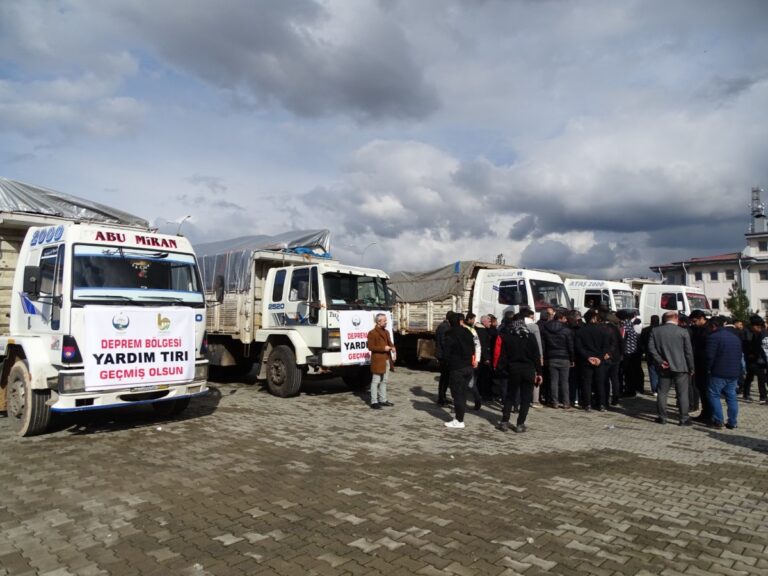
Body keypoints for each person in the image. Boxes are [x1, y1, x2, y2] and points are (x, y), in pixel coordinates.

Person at [495, 312, 543, 432]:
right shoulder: (530, 336)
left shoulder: (508, 336)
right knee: (526, 398)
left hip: (513, 370)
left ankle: (505, 421)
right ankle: (520, 424)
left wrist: (501, 370)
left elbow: (503, 356)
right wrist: (540, 373)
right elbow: (536, 356)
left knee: (510, 396)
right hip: (529, 370)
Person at [649, 311, 695, 425]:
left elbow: (651, 348)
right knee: (682, 393)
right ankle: (684, 418)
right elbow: (688, 352)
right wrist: (691, 367)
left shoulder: (655, 331)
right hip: (681, 367)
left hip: (664, 367)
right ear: (676, 318)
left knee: (662, 393)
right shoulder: (683, 331)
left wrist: (660, 361)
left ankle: (662, 417)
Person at [705, 316, 741, 429]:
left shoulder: (714, 337)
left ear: (714, 326)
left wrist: (708, 368)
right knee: (731, 396)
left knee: (713, 394)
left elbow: (709, 356)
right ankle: (732, 422)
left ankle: (718, 420)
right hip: (734, 372)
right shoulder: (734, 337)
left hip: (718, 372)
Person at [442, 313, 475, 429]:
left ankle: (459, 420)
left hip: (457, 368)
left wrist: (447, 363)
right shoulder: (468, 331)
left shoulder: (450, 333)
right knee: (463, 393)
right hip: (468, 366)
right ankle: (460, 416)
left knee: (457, 394)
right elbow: (473, 348)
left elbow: (446, 352)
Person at [574, 309, 611, 411]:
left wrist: (588, 357)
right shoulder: (603, 330)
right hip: (599, 360)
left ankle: (587, 404)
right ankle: (601, 404)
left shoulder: (580, 331)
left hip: (586, 360)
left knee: (587, 383)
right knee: (600, 383)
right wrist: (599, 357)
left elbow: (579, 347)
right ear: (594, 318)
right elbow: (606, 347)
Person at [540, 309, 574, 408]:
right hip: (564, 358)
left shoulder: (546, 329)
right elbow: (570, 346)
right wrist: (572, 359)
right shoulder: (567, 330)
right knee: (564, 381)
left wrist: (544, 357)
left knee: (553, 381)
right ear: (561, 318)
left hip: (551, 357)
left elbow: (543, 345)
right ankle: (566, 402)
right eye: (565, 318)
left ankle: (554, 402)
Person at [366, 313, 396, 409]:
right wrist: (383, 348)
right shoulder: (372, 333)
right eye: (384, 320)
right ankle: (374, 402)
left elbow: (390, 343)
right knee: (376, 381)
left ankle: (383, 399)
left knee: (384, 381)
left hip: (387, 359)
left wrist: (393, 348)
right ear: (378, 322)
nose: (386, 322)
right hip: (378, 360)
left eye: (386, 320)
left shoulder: (386, 332)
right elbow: (370, 347)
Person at [688, 310, 711, 422]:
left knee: (706, 390)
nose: (693, 323)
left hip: (704, 364)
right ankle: (705, 412)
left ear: (702, 318)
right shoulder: (697, 329)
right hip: (698, 363)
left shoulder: (708, 330)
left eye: (695, 321)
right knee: (701, 389)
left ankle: (709, 414)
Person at [743, 315, 768, 404]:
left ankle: (762, 396)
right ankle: (749, 394)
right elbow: (747, 345)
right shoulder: (747, 332)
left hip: (760, 358)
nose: (759, 328)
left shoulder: (760, 332)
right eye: (758, 326)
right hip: (752, 358)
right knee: (751, 376)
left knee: (759, 377)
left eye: (760, 326)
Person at [464, 312, 483, 411]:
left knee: (471, 384)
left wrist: (477, 360)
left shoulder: (472, 331)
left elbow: (478, 346)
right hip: (463, 361)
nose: (474, 321)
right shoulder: (464, 329)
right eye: (473, 319)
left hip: (471, 361)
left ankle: (478, 400)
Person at [435, 311, 454, 406]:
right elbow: (444, 342)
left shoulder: (444, 326)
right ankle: (441, 399)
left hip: (442, 355)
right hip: (443, 356)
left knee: (445, 378)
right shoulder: (444, 327)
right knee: (444, 378)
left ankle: (443, 397)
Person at [640, 315, 661, 396]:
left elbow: (641, 342)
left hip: (649, 354)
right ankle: (659, 388)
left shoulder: (645, 330)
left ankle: (654, 389)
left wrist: (645, 351)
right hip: (660, 354)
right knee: (660, 372)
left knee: (652, 372)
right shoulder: (662, 329)